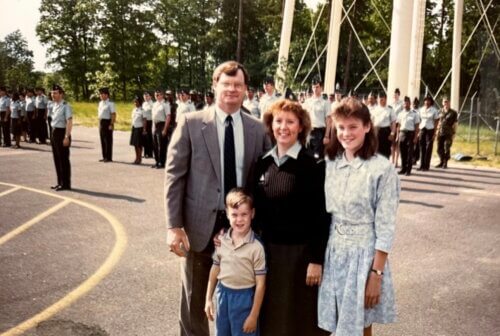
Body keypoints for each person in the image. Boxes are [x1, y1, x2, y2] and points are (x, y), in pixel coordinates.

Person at [165, 60, 270, 336]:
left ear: (246, 89)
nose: (232, 90)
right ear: (215, 85)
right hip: (200, 228)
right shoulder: (191, 123)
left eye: (238, 85)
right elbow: (175, 177)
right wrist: (174, 227)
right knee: (194, 302)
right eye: (226, 84)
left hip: (241, 229)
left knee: (240, 302)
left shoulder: (257, 129)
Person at [319, 97, 400, 336]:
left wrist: (376, 274)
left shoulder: (382, 169)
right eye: (341, 127)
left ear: (367, 126)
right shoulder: (329, 164)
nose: (346, 133)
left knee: (360, 326)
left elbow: (385, 226)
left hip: (363, 258)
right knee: (330, 322)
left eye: (353, 126)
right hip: (332, 254)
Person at [254, 99, 329, 336]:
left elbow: (322, 216)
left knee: (299, 323)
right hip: (268, 256)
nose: (283, 127)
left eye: (290, 122)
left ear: (300, 127)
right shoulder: (262, 164)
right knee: (271, 322)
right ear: (271, 125)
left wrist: (317, 260)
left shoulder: (313, 165)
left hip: (300, 258)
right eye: (278, 121)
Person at [205, 188, 266, 336]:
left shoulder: (256, 247)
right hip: (223, 296)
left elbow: (261, 284)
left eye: (244, 214)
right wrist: (208, 299)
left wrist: (253, 315)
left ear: (252, 213)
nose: (239, 219)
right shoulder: (221, 240)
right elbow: (215, 269)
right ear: (227, 213)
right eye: (234, 214)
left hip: (244, 300)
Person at [49, 84, 73, 191]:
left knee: (63, 159)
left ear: (61, 94)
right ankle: (59, 182)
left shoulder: (66, 105)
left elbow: (69, 121)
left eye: (55, 93)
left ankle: (66, 184)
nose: (53, 94)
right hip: (54, 132)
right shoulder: (53, 105)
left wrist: (67, 136)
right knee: (56, 159)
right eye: (52, 93)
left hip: (62, 133)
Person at [303, 78, 330, 159]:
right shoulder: (307, 102)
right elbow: (304, 117)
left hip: (319, 133)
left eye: (317, 87)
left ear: (321, 88)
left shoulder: (325, 102)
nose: (315, 89)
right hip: (308, 132)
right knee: (307, 156)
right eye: (314, 87)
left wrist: (327, 136)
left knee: (317, 157)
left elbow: (328, 120)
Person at [396, 96, 420, 176]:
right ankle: (403, 168)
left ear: (410, 104)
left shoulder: (414, 114)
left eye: (407, 103)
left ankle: (408, 170)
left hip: (410, 134)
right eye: (404, 103)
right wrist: (397, 136)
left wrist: (416, 137)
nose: (405, 104)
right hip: (402, 134)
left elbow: (417, 127)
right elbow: (398, 126)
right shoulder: (400, 114)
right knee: (403, 153)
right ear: (403, 104)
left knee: (409, 153)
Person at [371, 92, 396, 159]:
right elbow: (372, 122)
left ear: (385, 99)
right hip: (376, 131)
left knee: (386, 151)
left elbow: (393, 122)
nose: (380, 100)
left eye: (382, 99)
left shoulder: (390, 109)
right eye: (379, 99)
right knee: (376, 151)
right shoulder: (375, 109)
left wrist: (393, 133)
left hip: (385, 131)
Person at [417, 96, 439, 171]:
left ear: (431, 102)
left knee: (428, 148)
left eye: (428, 101)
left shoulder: (434, 110)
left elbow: (436, 122)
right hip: (422, 129)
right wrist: (418, 131)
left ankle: (426, 166)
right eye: (425, 101)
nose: (427, 102)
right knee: (421, 148)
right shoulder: (421, 109)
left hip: (430, 129)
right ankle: (421, 165)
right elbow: (419, 120)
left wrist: (435, 132)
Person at [435, 97, 458, 169]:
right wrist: (436, 132)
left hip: (448, 133)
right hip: (440, 132)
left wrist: (454, 133)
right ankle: (441, 161)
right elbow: (437, 122)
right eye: (444, 102)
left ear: (449, 103)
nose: (446, 103)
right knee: (439, 148)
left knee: (446, 147)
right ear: (442, 103)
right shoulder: (439, 111)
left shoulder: (453, 113)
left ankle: (445, 162)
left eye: (447, 102)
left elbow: (455, 123)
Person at [151, 89, 171, 169]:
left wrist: (165, 129)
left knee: (161, 145)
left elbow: (168, 117)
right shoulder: (154, 104)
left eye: (158, 94)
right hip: (155, 125)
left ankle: (162, 162)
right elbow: (153, 116)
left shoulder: (165, 104)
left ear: (162, 95)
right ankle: (157, 161)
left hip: (161, 125)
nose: (157, 96)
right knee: (155, 145)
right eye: (156, 94)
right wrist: (153, 127)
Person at [97, 87, 116, 162]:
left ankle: (109, 157)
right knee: (102, 139)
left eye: (102, 94)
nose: (101, 95)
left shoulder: (110, 103)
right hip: (101, 122)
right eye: (100, 94)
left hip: (108, 122)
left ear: (107, 95)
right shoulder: (100, 103)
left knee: (108, 140)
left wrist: (111, 124)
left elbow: (113, 114)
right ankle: (104, 156)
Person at [130, 95, 146, 164]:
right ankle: (136, 157)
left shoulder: (143, 110)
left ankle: (139, 159)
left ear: (140, 102)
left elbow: (144, 120)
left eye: (136, 102)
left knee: (139, 145)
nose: (135, 103)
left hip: (140, 128)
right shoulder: (134, 110)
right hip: (134, 128)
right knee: (135, 144)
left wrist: (144, 129)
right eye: (134, 102)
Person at [142, 91, 154, 158]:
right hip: (144, 122)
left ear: (150, 97)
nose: (145, 97)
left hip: (150, 122)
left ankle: (150, 153)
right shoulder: (144, 104)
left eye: (147, 96)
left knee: (150, 138)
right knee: (145, 138)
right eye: (144, 96)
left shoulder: (152, 104)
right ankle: (145, 153)